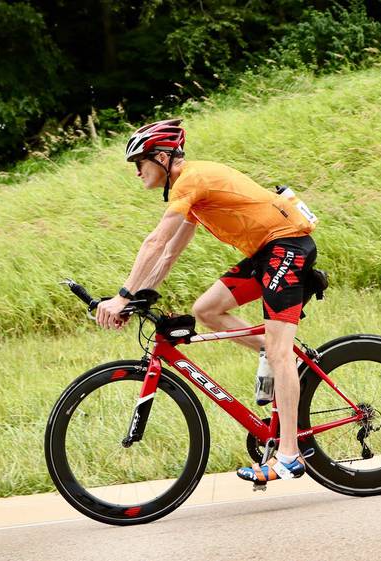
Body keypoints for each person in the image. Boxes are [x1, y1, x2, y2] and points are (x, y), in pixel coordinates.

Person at [96, 118, 318, 483]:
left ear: (163, 158)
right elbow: (167, 253)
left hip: (287, 246)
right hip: (268, 251)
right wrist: (137, 297)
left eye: (140, 163)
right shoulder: (192, 193)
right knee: (207, 310)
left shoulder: (191, 180)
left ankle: (290, 456)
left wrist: (121, 298)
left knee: (282, 353)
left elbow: (154, 241)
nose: (137, 173)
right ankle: (271, 352)